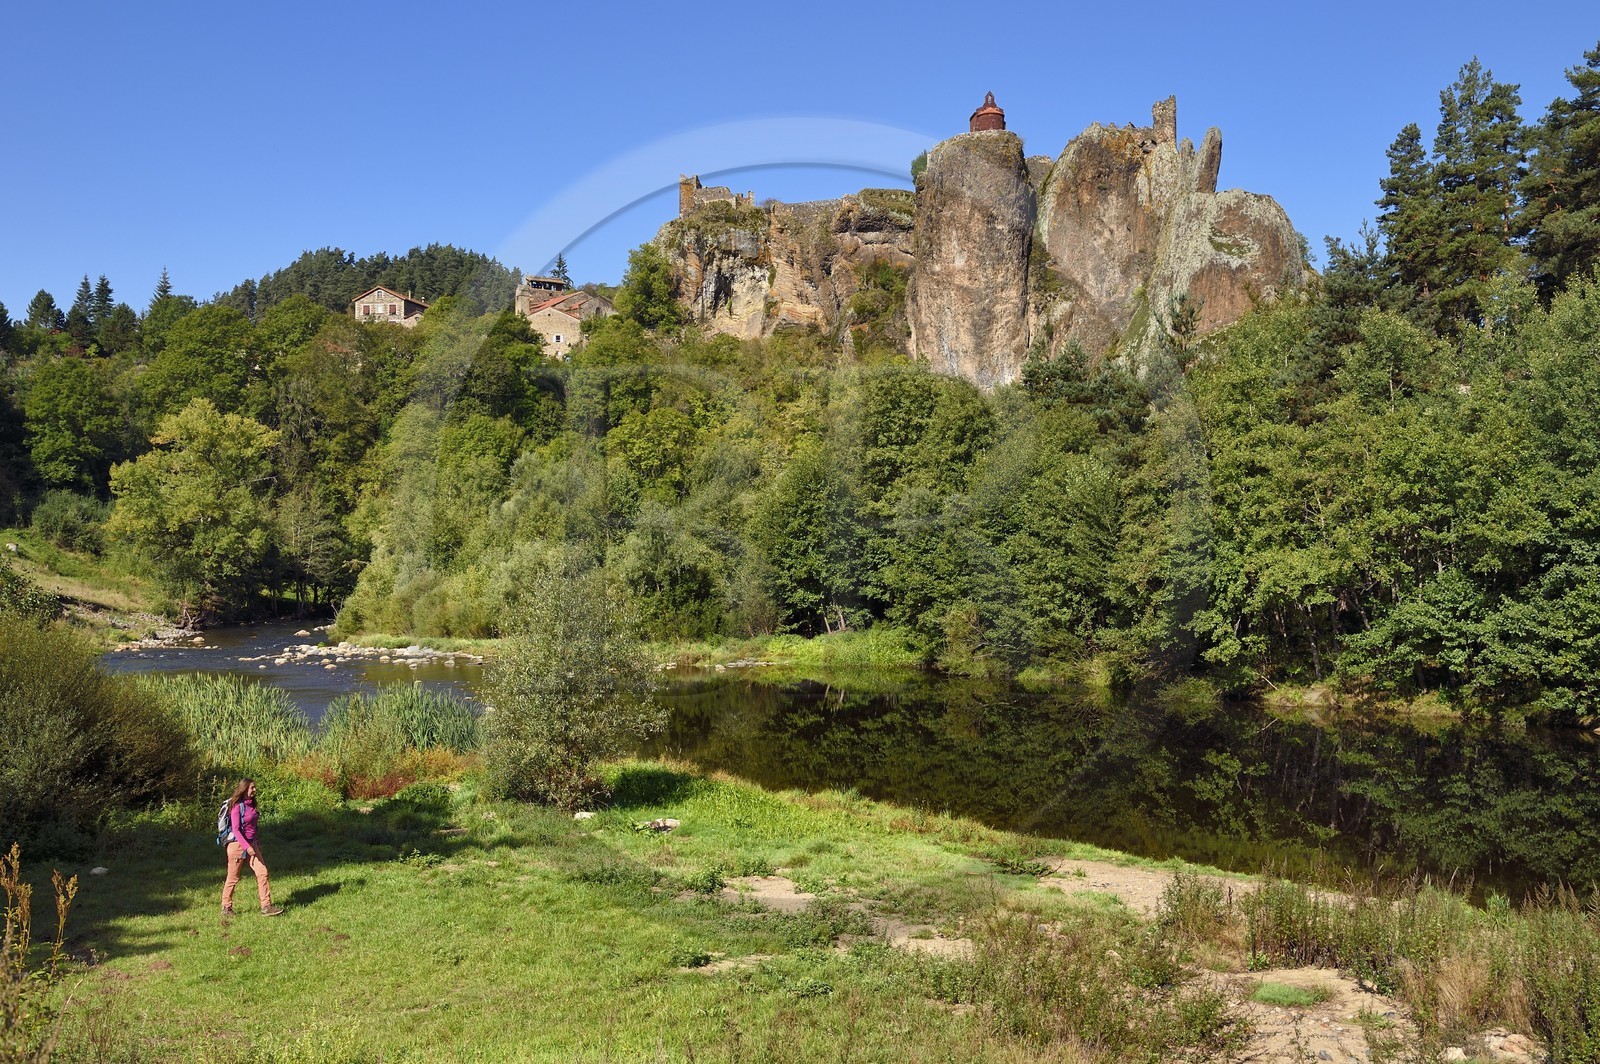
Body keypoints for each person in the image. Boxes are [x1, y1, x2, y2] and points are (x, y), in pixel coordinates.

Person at [221, 778, 283, 917]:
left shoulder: (251, 804)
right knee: (233, 877)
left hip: (252, 844)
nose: (255, 790)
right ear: (244, 789)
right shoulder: (237, 806)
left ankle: (266, 906)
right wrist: (246, 846)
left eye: (254, 788)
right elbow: (236, 829)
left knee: (262, 872)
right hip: (237, 845)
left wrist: (255, 843)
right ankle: (226, 907)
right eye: (252, 788)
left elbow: (252, 827)